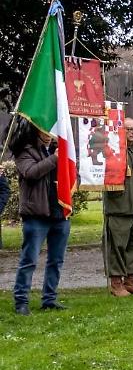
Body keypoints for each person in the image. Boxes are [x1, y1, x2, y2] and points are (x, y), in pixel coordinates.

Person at [8, 121, 71, 315]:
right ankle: (21, 301)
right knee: (29, 260)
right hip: (36, 215)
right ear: (36, 129)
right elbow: (31, 173)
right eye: (45, 130)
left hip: (59, 213)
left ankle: (49, 299)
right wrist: (54, 159)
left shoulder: (58, 148)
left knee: (56, 260)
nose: (49, 134)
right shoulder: (24, 151)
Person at [102, 117, 133, 297]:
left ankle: (130, 279)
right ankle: (116, 282)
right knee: (117, 245)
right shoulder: (112, 150)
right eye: (129, 129)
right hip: (119, 206)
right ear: (121, 131)